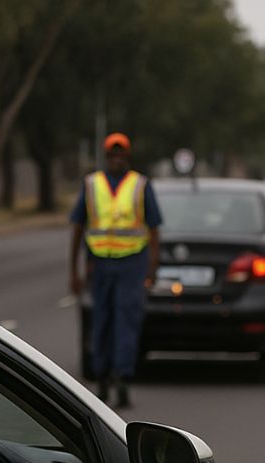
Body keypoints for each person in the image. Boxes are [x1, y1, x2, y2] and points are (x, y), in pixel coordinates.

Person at [68, 132, 162, 408]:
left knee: (126, 323)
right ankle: (102, 378)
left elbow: (154, 231)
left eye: (121, 153)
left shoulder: (140, 185)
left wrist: (152, 268)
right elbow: (77, 228)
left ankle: (122, 377)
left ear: (128, 156)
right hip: (100, 264)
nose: (116, 158)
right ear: (106, 156)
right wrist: (73, 271)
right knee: (101, 323)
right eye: (112, 154)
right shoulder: (91, 184)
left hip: (132, 265)